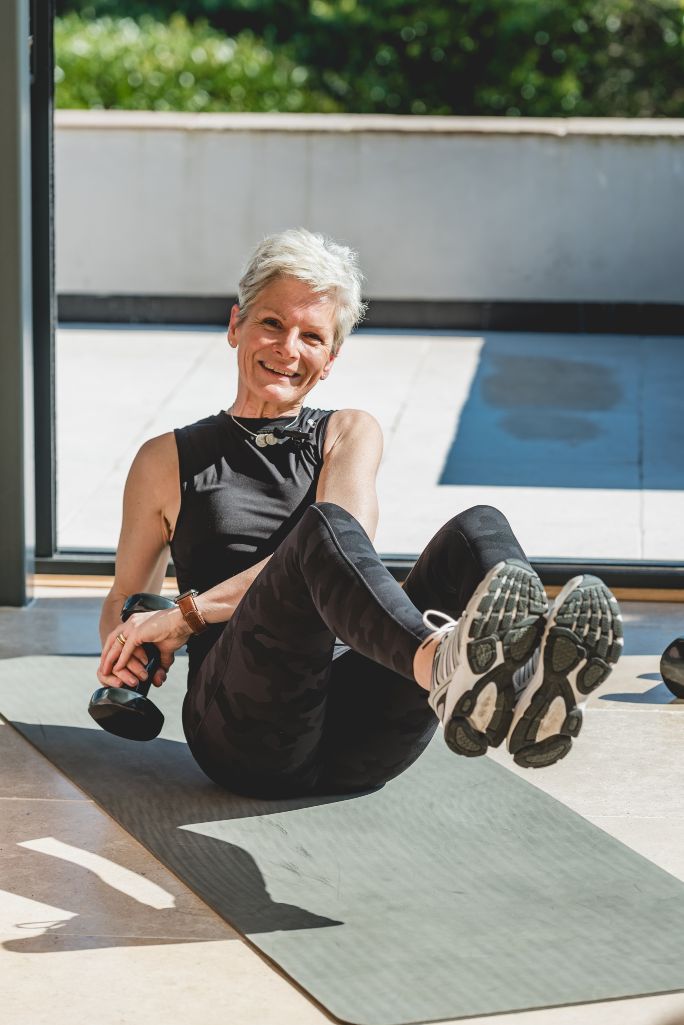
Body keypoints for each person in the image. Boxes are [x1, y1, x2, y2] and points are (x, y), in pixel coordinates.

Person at [97, 228, 623, 797]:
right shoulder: (166, 459)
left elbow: (347, 541)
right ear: (236, 326)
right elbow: (124, 596)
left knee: (478, 527)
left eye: (312, 337)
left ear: (330, 359)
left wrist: (185, 614)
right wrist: (125, 647)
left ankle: (525, 683)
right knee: (320, 531)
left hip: (364, 737)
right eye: (272, 323)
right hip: (245, 732)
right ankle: (443, 665)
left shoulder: (348, 431)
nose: (288, 349)